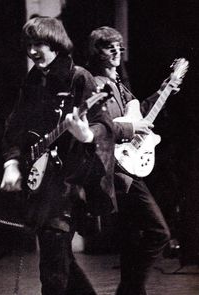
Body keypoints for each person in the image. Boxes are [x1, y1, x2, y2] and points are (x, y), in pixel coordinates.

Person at [0, 17, 116, 295]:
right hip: (42, 183)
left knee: (53, 268)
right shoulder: (33, 80)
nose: (31, 51)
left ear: (56, 43)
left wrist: (86, 135)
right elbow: (15, 126)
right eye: (28, 45)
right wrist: (12, 162)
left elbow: (104, 126)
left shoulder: (79, 77)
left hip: (71, 184)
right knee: (61, 260)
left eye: (38, 44)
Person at [87, 26, 182, 295]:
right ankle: (129, 289)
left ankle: (132, 291)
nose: (117, 51)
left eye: (120, 46)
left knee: (132, 237)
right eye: (109, 47)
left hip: (127, 166)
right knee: (158, 232)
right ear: (97, 51)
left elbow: (137, 114)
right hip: (114, 169)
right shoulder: (94, 84)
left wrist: (164, 91)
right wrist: (130, 131)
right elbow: (98, 129)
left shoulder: (118, 82)